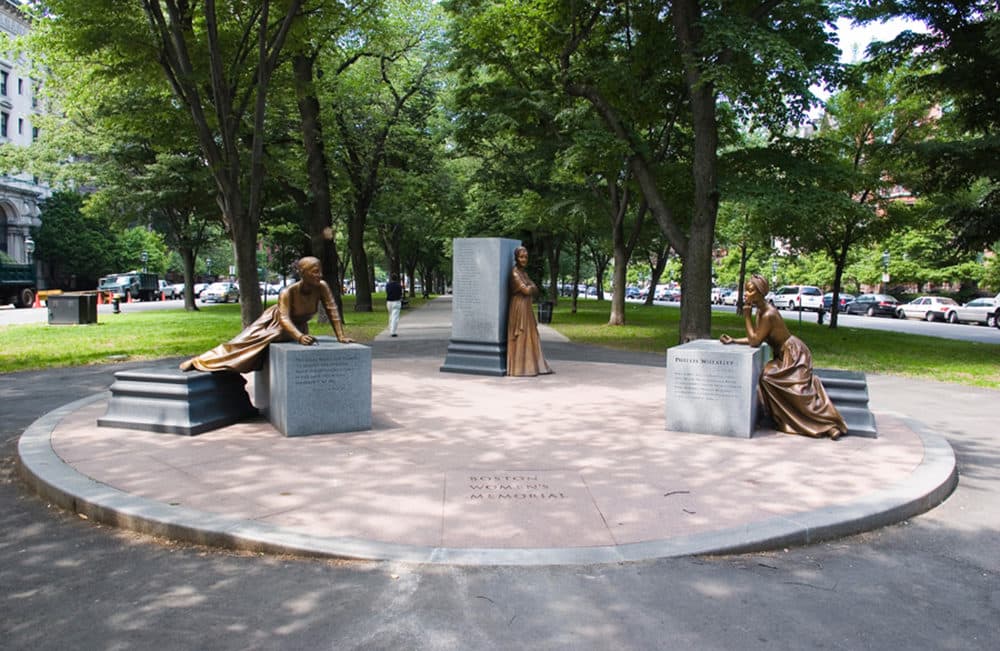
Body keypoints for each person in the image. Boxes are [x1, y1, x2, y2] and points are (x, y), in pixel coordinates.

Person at [720, 274, 846, 439]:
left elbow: (755, 342)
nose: (746, 294)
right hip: (783, 356)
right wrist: (734, 340)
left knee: (790, 387)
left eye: (750, 291)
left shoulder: (768, 315)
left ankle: (828, 425)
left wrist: (746, 317)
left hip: (794, 355)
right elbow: (757, 336)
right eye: (746, 291)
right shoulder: (761, 312)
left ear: (760, 293)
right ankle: (792, 419)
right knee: (768, 378)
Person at [179, 256, 354, 373]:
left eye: (320, 271)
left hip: (296, 328)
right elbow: (284, 318)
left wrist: (341, 336)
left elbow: (332, 310)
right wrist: (299, 337)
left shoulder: (321, 287)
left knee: (251, 354)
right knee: (240, 345)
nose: (319, 275)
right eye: (314, 272)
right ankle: (200, 361)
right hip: (274, 324)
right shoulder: (287, 292)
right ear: (302, 273)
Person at [507, 246, 553, 377]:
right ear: (516, 257)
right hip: (519, 307)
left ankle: (531, 365)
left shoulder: (524, 273)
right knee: (522, 335)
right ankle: (520, 368)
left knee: (531, 333)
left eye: (526, 257)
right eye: (521, 256)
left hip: (526, 306)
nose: (524, 259)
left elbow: (535, 288)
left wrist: (530, 287)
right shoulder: (515, 273)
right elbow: (527, 290)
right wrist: (530, 287)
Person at [385, 272, 403, 337]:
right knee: (395, 317)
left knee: (390, 316)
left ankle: (390, 329)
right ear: (397, 278)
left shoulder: (388, 285)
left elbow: (387, 292)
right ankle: (393, 332)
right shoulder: (399, 286)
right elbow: (400, 294)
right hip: (396, 302)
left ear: (391, 278)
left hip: (389, 302)